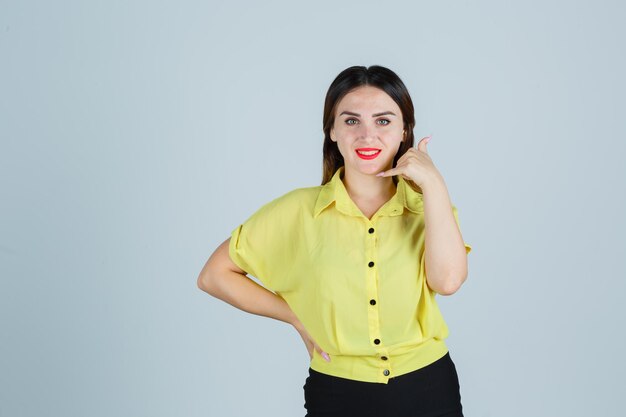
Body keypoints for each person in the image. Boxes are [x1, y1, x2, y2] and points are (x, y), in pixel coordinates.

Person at [197, 65, 472, 417]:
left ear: (405, 130)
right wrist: (295, 317)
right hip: (338, 394)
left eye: (384, 121)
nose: (367, 135)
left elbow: (447, 282)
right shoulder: (298, 210)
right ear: (331, 130)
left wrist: (433, 184)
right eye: (352, 121)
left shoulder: (429, 207)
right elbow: (213, 275)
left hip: (428, 388)